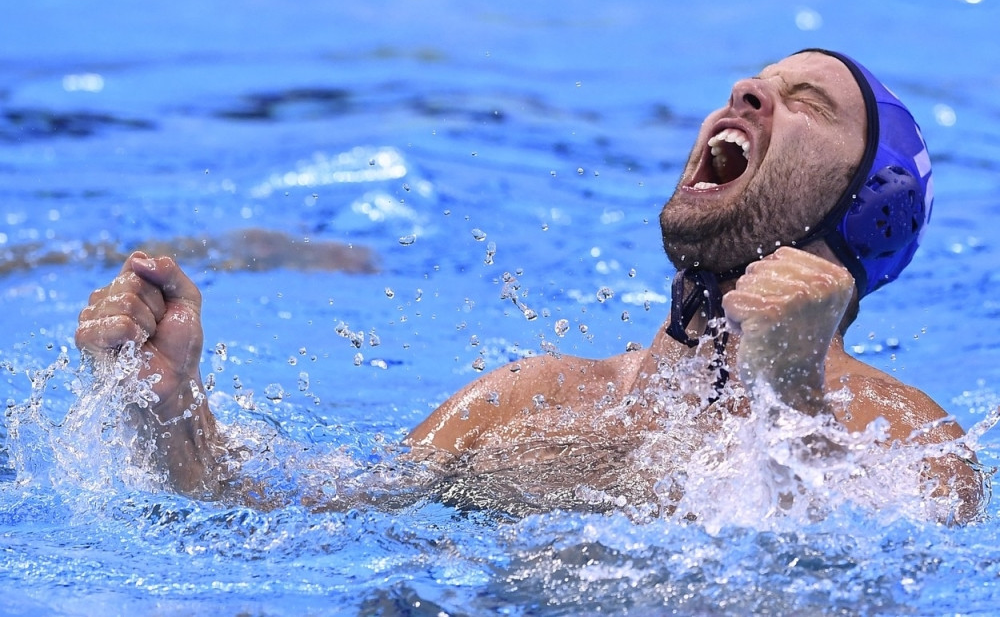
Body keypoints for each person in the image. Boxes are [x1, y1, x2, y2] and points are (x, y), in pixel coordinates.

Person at [74, 49, 983, 521]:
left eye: (810, 104)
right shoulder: (531, 402)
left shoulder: (909, 438)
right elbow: (261, 516)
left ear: (868, 209)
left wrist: (790, 388)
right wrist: (168, 405)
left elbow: (851, 582)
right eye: (757, 81)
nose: (748, 91)